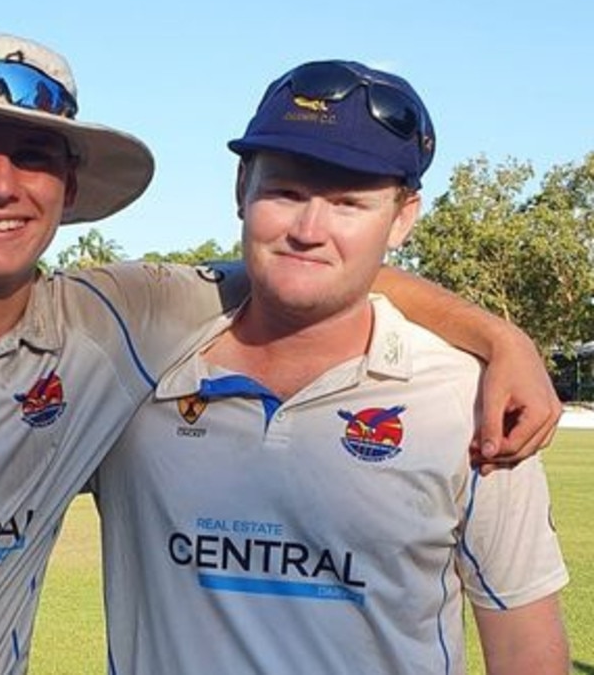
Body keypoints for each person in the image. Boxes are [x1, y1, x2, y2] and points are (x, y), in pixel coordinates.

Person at [0, 31, 558, 675]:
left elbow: (310, 267)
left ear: (67, 189)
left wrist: (499, 337)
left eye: (31, 156)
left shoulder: (115, 327)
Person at [91, 60, 569, 674]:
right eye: (286, 191)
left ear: (402, 218)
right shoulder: (133, 366)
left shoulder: (473, 402)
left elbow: (527, 653)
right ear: (242, 189)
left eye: (349, 202)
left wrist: (503, 340)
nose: (309, 230)